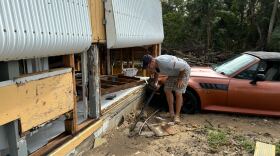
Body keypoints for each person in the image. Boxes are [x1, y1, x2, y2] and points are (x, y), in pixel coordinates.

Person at [142, 54, 191, 123]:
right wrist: (156, 82)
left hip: (183, 71)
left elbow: (183, 66)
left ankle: (177, 116)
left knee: (178, 92)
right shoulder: (154, 65)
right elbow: (157, 72)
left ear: (152, 61)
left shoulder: (165, 62)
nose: (148, 68)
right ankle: (171, 113)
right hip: (173, 74)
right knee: (167, 90)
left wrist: (180, 79)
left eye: (148, 66)